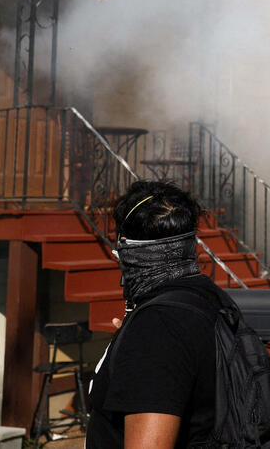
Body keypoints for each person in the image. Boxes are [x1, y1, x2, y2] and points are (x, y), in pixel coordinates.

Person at [87, 180, 221, 448]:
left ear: (125, 245)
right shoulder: (206, 296)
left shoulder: (158, 328)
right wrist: (131, 345)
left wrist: (144, 341)